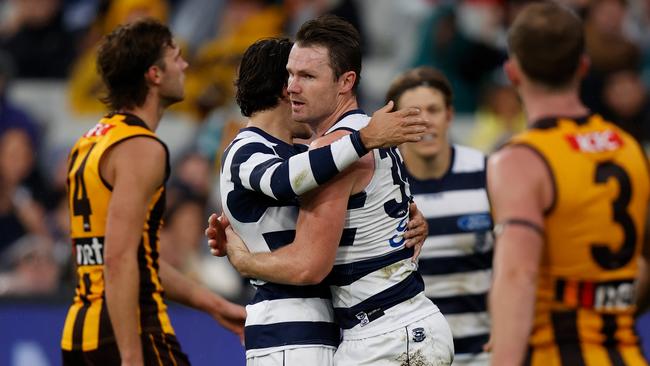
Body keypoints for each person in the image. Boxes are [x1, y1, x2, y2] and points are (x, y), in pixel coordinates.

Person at [214, 15, 454, 365]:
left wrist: (244, 259)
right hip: (390, 328)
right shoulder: (360, 135)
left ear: (346, 82)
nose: (293, 87)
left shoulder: (339, 145)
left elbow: (309, 266)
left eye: (306, 76)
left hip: (384, 334)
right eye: (290, 75)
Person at [59, 19, 245, 366]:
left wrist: (213, 305)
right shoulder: (142, 147)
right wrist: (131, 357)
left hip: (81, 332)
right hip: (132, 331)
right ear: (154, 75)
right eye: (176, 57)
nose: (185, 65)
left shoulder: (89, 143)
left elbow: (133, 257)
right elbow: (118, 259)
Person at [488, 2, 650, 365]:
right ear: (583, 66)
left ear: (513, 72)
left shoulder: (521, 159)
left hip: (555, 353)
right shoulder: (629, 147)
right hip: (626, 353)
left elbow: (518, 275)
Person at [385, 66, 493, 365]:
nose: (425, 121)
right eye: (413, 112)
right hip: (410, 354)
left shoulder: (488, 173)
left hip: (483, 351)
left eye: (433, 109)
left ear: (450, 115)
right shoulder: (378, 184)